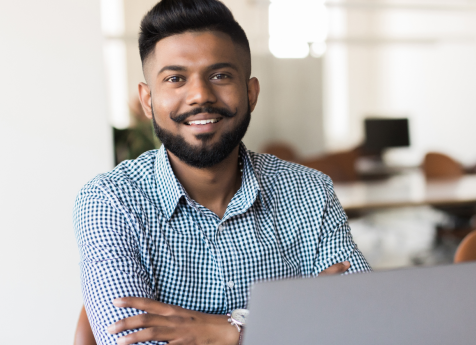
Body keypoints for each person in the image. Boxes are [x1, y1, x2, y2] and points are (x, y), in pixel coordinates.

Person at [73, 0, 371, 344]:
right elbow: (132, 342)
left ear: (250, 92)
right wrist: (286, 324)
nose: (200, 95)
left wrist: (231, 332)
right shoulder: (110, 201)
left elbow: (359, 320)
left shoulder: (309, 190)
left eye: (220, 75)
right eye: (175, 78)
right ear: (147, 100)